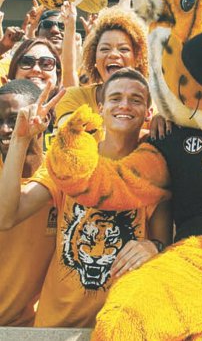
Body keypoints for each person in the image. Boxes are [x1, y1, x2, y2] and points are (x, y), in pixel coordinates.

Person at [0, 68, 171, 327]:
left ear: (148, 113)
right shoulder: (72, 159)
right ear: (100, 108)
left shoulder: (155, 168)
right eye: (115, 98)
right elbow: (7, 216)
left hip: (116, 327)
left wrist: (153, 247)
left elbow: (164, 244)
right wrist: (20, 141)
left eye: (135, 99)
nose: (124, 105)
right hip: (55, 325)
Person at [0, 79, 56, 326]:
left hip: (26, 327)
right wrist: (19, 140)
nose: (4, 128)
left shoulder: (59, 176)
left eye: (13, 120)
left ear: (45, 118)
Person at [55, 5, 149, 127]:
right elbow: (68, 137)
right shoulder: (75, 97)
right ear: (94, 58)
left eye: (123, 49)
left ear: (137, 59)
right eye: (105, 49)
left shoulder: (151, 105)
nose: (113, 54)